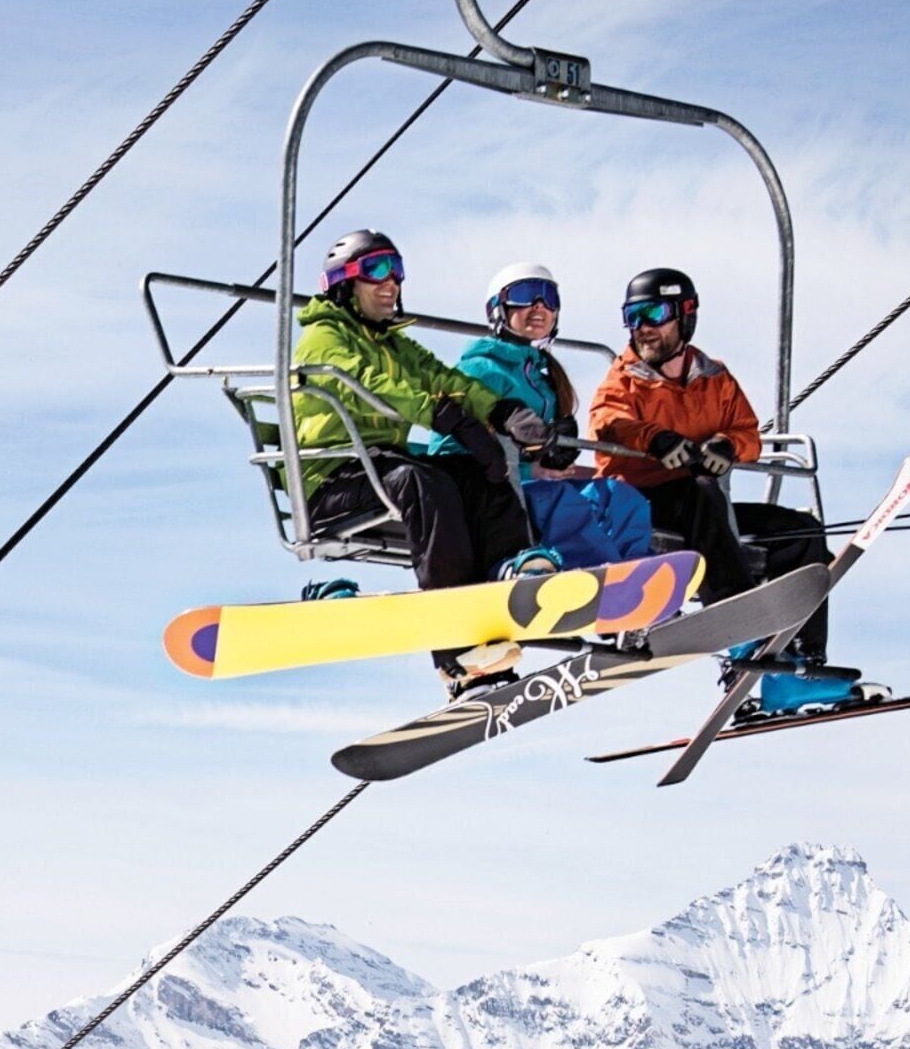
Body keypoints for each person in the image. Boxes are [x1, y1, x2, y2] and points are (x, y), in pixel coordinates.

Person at [588, 267, 863, 709]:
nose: (642, 328)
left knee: (800, 533)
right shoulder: (625, 379)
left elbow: (747, 431)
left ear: (685, 315)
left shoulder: (714, 378)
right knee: (702, 491)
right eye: (632, 316)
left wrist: (727, 446)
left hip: (708, 507)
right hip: (642, 504)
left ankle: (801, 666)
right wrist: (656, 440)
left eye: (653, 314)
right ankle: (739, 629)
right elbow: (609, 422)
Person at [280, 232, 544, 654]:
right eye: (377, 271)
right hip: (332, 481)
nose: (391, 283)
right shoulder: (324, 339)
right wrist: (443, 415)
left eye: (397, 272)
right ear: (344, 283)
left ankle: (507, 577)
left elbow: (445, 379)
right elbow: (367, 384)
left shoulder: (393, 343)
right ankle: (452, 632)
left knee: (480, 475)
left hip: (380, 467)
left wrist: (499, 410)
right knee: (422, 483)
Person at [453, 261, 648, 570]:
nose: (539, 306)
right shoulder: (479, 371)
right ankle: (593, 576)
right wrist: (529, 470)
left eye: (549, 297)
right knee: (558, 501)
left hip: (536, 484)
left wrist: (557, 458)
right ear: (498, 309)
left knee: (619, 496)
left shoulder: (544, 380)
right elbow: (451, 449)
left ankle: (638, 575)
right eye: (525, 295)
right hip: (496, 487)